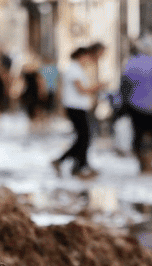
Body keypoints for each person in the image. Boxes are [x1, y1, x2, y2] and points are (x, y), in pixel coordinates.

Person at [120, 36, 152, 175]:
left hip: (134, 105)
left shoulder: (131, 63)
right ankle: (149, 165)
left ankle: (142, 165)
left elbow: (125, 83)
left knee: (138, 136)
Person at [52, 46, 104, 179]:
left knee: (84, 138)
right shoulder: (73, 69)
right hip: (75, 107)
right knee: (84, 137)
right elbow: (81, 89)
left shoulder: (77, 69)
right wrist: (97, 87)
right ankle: (66, 162)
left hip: (79, 107)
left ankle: (77, 165)